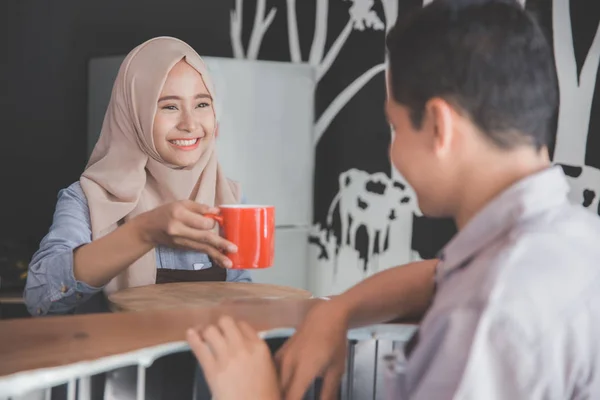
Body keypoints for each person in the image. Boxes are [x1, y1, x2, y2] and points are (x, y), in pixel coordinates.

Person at [187, 0, 600, 399]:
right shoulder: (572, 239)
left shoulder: (486, 316)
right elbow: (437, 277)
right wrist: (337, 311)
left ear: (439, 125)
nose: (392, 152)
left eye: (395, 127)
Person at [24, 36, 251, 317]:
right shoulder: (87, 198)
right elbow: (40, 296)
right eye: (169, 106)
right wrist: (143, 232)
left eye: (202, 105)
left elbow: (240, 293)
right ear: (133, 116)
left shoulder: (230, 196)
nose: (190, 124)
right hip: (124, 359)